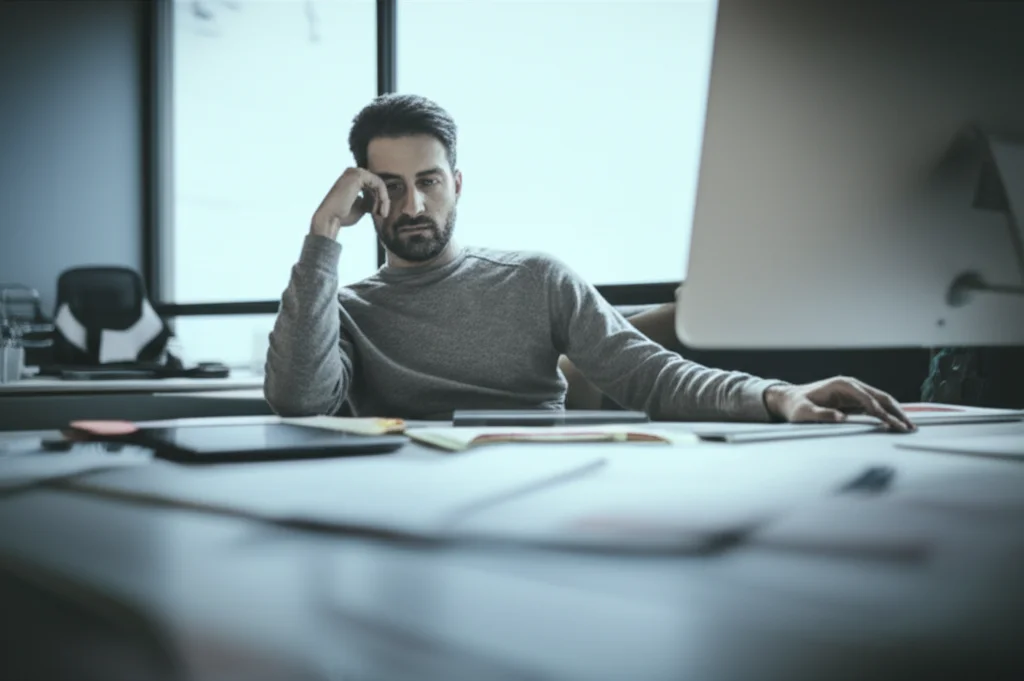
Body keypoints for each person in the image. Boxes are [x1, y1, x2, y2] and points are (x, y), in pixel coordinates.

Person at [264, 94, 914, 432]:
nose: (413, 205)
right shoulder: (345, 310)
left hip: (542, 489)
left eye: (429, 182)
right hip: (401, 507)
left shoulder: (535, 278)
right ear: (365, 194)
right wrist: (324, 233)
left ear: (457, 184)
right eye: (391, 186)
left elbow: (652, 377)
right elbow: (297, 400)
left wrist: (776, 395)